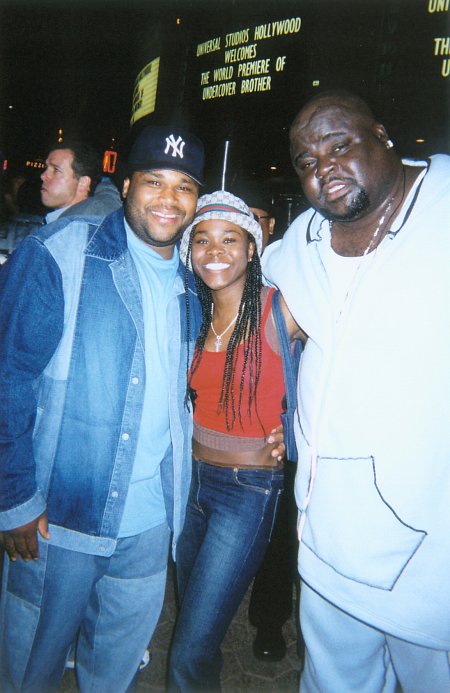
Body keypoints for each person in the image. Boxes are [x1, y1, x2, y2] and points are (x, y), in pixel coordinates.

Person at [0, 125, 205, 693]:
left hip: (150, 522)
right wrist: (14, 495)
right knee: (28, 670)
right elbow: (8, 374)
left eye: (184, 186)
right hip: (62, 516)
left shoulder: (195, 283)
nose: (169, 198)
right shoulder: (60, 251)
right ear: (128, 184)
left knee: (112, 672)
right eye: (155, 181)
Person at [262, 89, 450, 692]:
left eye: (339, 146)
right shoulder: (305, 240)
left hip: (431, 557)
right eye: (306, 162)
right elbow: (256, 309)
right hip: (326, 544)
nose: (324, 170)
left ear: (383, 135)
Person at [168, 190, 302, 691]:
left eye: (230, 239)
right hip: (190, 482)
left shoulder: (278, 309)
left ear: (253, 248)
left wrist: (298, 432)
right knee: (190, 624)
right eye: (202, 240)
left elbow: (348, 358)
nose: (215, 251)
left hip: (248, 490)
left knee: (190, 645)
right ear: (189, 252)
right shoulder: (190, 314)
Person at [231, 179, 300, 662]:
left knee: (278, 538)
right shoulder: (210, 270)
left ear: (270, 226)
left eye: (256, 215)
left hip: (276, 432)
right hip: (226, 435)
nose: (248, 226)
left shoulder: (291, 272)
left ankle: (269, 624)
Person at [40, 139, 121, 222]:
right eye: (46, 168)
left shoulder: (75, 228)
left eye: (56, 170)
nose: (43, 176)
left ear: (83, 183)